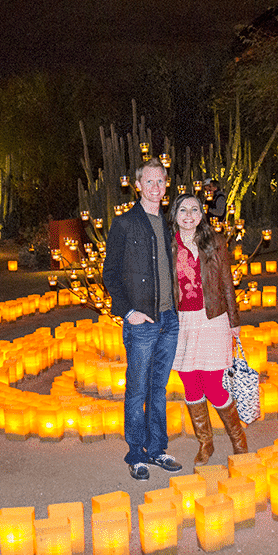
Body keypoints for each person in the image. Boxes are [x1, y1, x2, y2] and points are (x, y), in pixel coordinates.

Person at [102, 158, 184, 481]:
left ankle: (157, 448)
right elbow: (109, 273)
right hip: (142, 321)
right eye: (148, 182)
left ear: (166, 186)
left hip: (168, 318)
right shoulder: (124, 224)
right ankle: (136, 453)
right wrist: (128, 311)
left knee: (159, 388)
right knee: (137, 389)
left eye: (160, 182)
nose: (155, 188)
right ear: (137, 185)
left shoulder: (168, 223)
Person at [169, 193, 247, 467]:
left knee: (213, 385)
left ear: (202, 214)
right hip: (182, 323)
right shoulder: (168, 246)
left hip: (212, 318)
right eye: (183, 210)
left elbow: (227, 282)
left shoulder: (214, 242)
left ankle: (238, 439)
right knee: (190, 383)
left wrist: (234, 320)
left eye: (194, 209)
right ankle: (206, 442)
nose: (188, 215)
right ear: (175, 215)